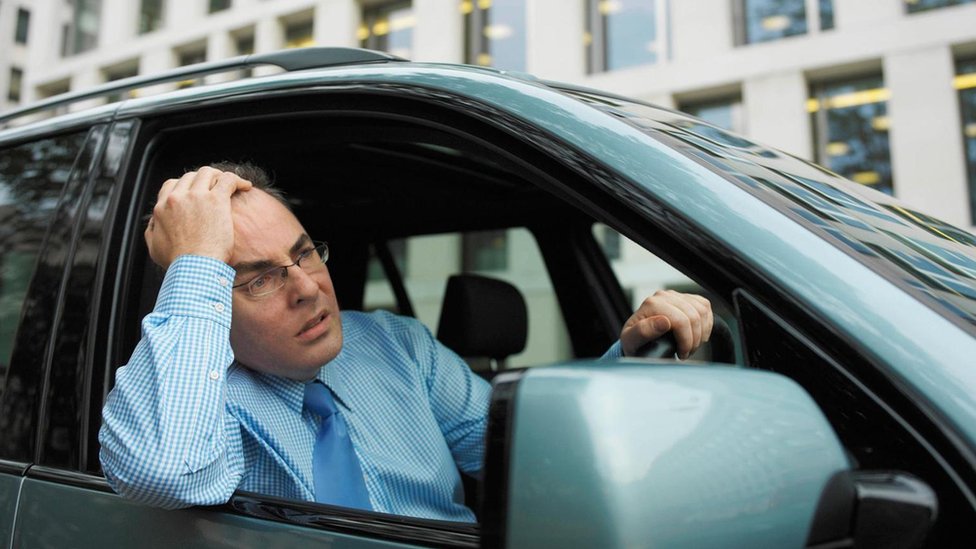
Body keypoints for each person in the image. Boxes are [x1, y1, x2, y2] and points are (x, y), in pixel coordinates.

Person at [99, 163, 713, 522]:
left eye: (305, 253)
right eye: (258, 279)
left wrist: (630, 354)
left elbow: (523, 452)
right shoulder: (194, 394)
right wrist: (198, 260)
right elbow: (164, 470)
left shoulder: (395, 346)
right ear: (201, 295)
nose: (309, 289)